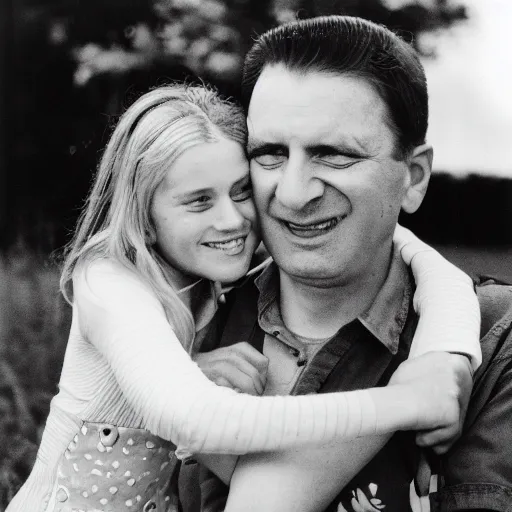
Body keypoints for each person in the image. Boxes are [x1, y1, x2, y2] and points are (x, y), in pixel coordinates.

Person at [7, 84, 478, 512]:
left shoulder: (211, 276)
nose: (232, 221)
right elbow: (197, 419)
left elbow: (410, 249)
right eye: (198, 201)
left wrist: (449, 354)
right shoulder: (109, 283)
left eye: (239, 192)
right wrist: (403, 403)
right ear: (144, 217)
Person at [191, 16, 512, 512]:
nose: (294, 195)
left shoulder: (495, 348)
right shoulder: (185, 324)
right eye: (270, 153)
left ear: (415, 177)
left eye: (335, 154)